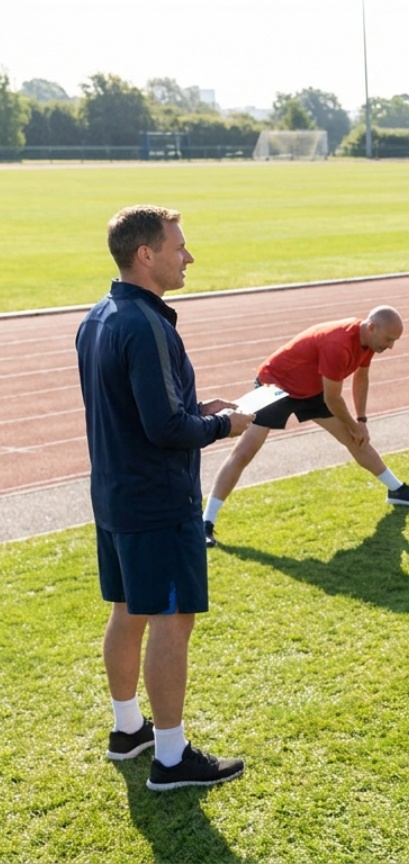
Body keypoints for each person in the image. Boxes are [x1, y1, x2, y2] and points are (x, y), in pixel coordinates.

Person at [77, 205, 253, 790]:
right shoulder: (147, 324)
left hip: (114, 496)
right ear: (146, 255)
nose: (189, 256)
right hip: (158, 501)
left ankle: (128, 730)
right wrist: (228, 426)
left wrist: (195, 410)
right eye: (179, 246)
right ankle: (172, 760)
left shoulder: (97, 317)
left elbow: (138, 410)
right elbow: (164, 430)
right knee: (172, 622)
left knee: (127, 611)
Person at [202, 307, 409, 546]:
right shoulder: (339, 344)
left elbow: (362, 377)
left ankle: (397, 490)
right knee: (245, 452)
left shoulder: (369, 341)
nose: (391, 346)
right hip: (277, 385)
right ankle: (206, 522)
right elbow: (333, 399)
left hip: (310, 388)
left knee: (355, 439)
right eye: (389, 339)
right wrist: (353, 425)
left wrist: (360, 421)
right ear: (372, 328)